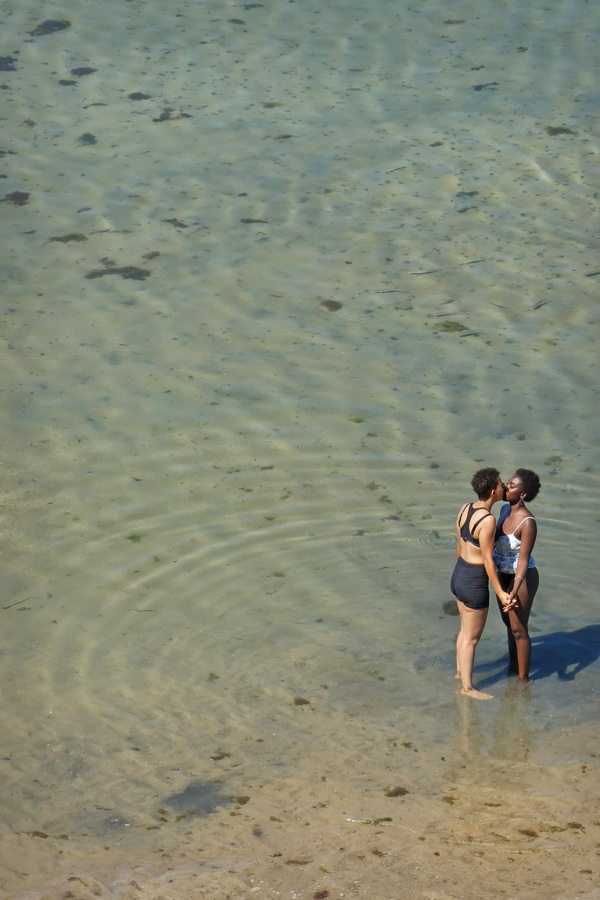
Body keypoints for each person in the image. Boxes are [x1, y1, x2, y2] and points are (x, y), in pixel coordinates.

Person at [451, 468, 512, 700]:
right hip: (474, 580)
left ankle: (459, 673)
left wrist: (459, 576)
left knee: (464, 631)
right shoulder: (488, 520)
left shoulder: (465, 508)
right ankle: (467, 688)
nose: (504, 486)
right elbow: (487, 560)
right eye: (501, 483)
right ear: (493, 491)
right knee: (471, 638)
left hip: (459, 574)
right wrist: (501, 592)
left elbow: (459, 544)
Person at [493, 468, 541, 690]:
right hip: (502, 576)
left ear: (522, 494)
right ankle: (513, 665)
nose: (506, 488)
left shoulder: (527, 522)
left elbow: (523, 560)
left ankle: (524, 680)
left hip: (522, 578)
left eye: (512, 486)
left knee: (519, 628)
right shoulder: (503, 509)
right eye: (507, 484)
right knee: (508, 624)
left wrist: (514, 589)